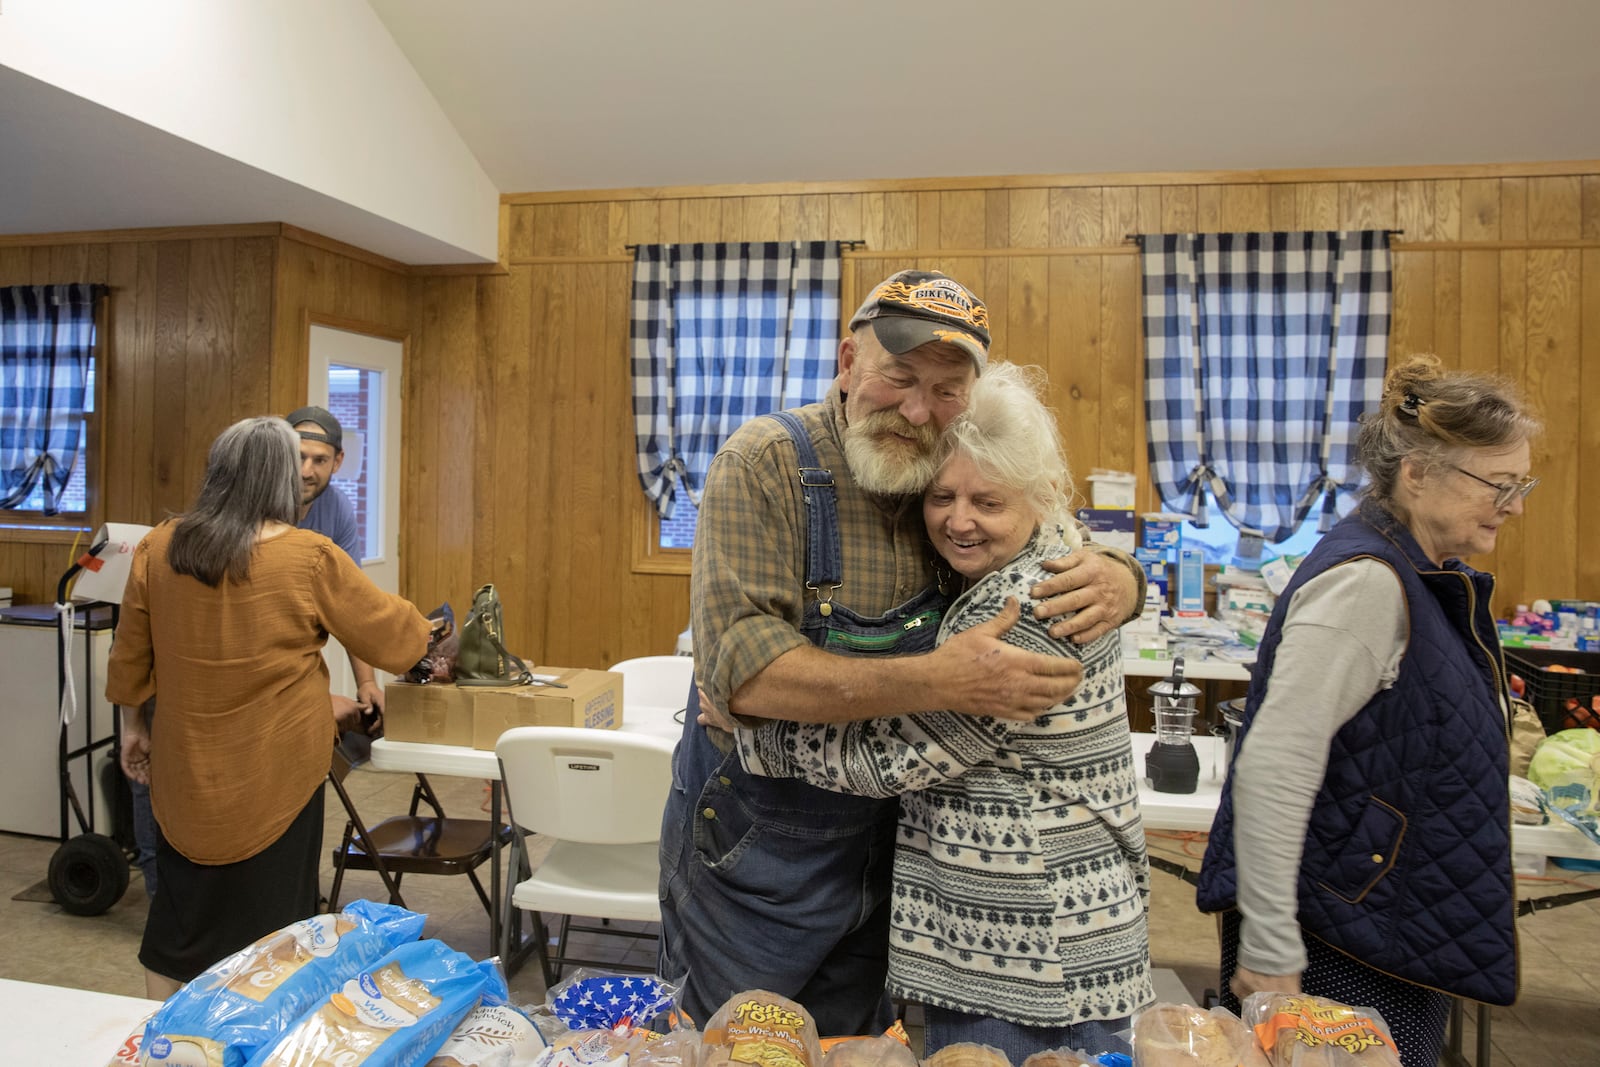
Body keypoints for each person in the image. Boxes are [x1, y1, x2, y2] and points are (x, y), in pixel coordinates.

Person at [658, 269, 1145, 1035]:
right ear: (849, 363)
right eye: (900, 377)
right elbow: (742, 670)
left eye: (946, 390)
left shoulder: (945, 464)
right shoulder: (766, 462)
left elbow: (1039, 519)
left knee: (852, 1046)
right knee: (741, 1043)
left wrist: (1124, 575)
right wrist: (937, 678)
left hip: (898, 860)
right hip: (756, 858)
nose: (919, 408)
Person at [1195, 354, 1538, 1067]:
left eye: (1521, 484)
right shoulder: (1368, 585)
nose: (1516, 504)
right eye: (1499, 485)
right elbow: (1274, 767)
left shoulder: (1419, 573)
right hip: (1341, 941)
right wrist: (1270, 945)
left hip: (1387, 923)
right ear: (1415, 472)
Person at [108, 416, 430, 999]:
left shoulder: (158, 547)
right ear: (283, 478)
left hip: (186, 768)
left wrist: (133, 728)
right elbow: (395, 639)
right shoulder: (309, 557)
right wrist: (429, 629)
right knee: (276, 929)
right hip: (278, 768)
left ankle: (168, 1042)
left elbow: (130, 653)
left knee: (180, 921)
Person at [287, 405, 389, 726]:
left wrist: (367, 683)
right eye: (298, 457)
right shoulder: (253, 507)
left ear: (337, 461)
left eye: (319, 460)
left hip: (300, 653)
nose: (306, 471)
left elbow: (350, 604)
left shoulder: (337, 509)